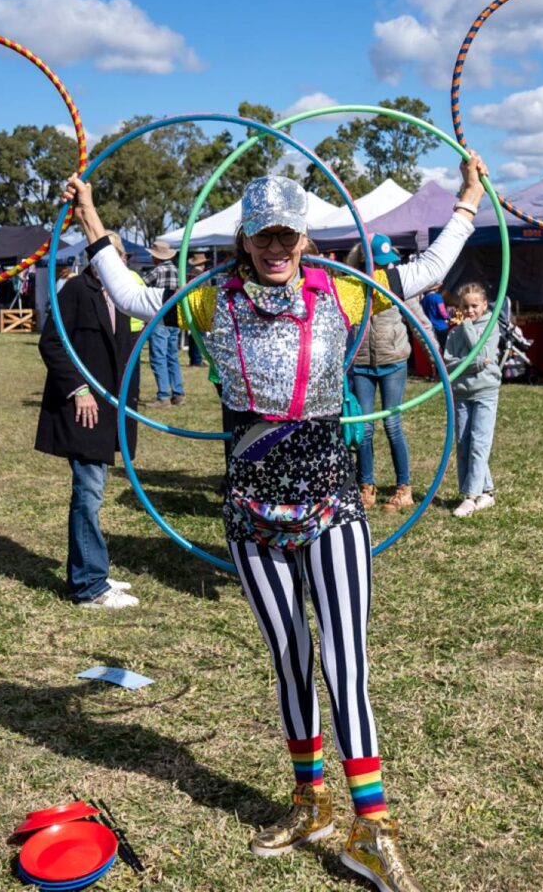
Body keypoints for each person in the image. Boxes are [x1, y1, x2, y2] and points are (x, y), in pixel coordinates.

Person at [65, 153, 488, 892]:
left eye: (286, 236)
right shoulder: (209, 299)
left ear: (305, 239)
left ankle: (373, 829)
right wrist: (94, 222)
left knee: (345, 663)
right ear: (243, 240)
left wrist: (469, 203)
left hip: (330, 506)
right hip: (253, 514)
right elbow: (134, 296)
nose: (274, 248)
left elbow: (423, 274)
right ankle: (309, 800)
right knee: (291, 659)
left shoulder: (344, 292)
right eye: (262, 236)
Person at [35, 231, 142, 611]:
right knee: (88, 493)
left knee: (93, 492)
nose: (118, 262)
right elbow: (51, 343)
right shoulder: (76, 291)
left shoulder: (124, 294)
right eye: (110, 255)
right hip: (85, 409)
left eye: (122, 256)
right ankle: (88, 586)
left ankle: (93, 571)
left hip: (111, 408)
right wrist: (79, 389)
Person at [345, 234, 419, 514]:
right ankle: (366, 486)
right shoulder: (353, 286)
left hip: (393, 361)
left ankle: (404, 487)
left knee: (392, 423)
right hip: (362, 364)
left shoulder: (396, 286)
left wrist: (439, 357)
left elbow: (418, 319)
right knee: (363, 427)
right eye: (381, 265)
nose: (387, 270)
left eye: (390, 264)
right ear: (366, 262)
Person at [442, 282, 509, 518]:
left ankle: (470, 497)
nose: (470, 311)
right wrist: (475, 364)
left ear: (484, 304)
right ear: (459, 306)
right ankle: (487, 492)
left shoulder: (491, 327)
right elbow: (449, 363)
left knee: (479, 444)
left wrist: (468, 329)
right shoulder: (453, 332)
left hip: (485, 392)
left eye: (474, 306)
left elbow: (481, 354)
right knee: (464, 443)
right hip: (461, 392)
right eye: (465, 306)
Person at [143, 240, 186, 406]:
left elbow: (140, 285)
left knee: (158, 357)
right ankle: (178, 392)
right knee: (172, 356)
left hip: (159, 317)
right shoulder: (177, 271)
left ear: (156, 257)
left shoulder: (157, 271)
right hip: (175, 318)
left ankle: (163, 396)